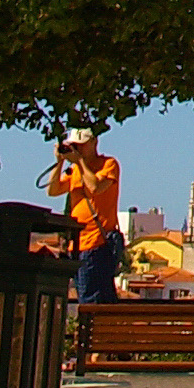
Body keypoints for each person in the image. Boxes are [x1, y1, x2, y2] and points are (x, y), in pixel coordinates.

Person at [48, 126, 124, 303]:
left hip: (97, 243)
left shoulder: (108, 164)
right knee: (90, 295)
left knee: (92, 298)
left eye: (81, 145)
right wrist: (59, 162)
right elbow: (52, 190)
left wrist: (80, 163)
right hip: (77, 245)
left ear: (94, 142)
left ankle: (92, 329)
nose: (78, 149)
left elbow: (95, 187)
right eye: (75, 145)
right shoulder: (75, 171)